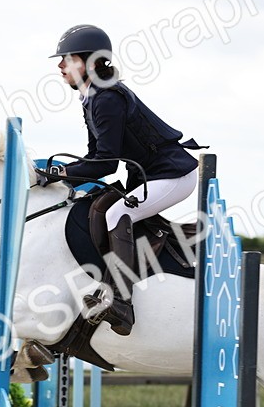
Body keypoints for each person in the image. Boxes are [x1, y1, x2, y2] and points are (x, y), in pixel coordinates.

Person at [46, 24, 202, 336]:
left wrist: (63, 174)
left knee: (119, 212)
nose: (60, 65)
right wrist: (62, 175)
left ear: (89, 62)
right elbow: (96, 155)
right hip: (152, 174)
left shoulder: (106, 98)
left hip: (172, 174)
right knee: (102, 207)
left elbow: (107, 162)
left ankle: (120, 300)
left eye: (67, 58)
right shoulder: (93, 96)